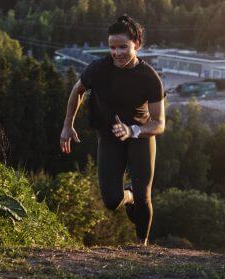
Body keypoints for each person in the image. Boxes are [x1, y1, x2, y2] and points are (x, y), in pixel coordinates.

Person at [60, 15, 165, 246]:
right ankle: (128, 197)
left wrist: (133, 130)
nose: (117, 53)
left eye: (123, 47)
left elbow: (159, 123)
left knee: (144, 195)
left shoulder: (149, 77)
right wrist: (67, 126)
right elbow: (77, 91)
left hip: (140, 136)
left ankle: (141, 246)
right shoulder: (98, 69)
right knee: (110, 200)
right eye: (112, 47)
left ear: (136, 44)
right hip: (109, 136)